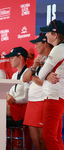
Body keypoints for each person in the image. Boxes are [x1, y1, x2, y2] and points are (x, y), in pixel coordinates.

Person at [23, 33, 52, 150]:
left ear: (45, 44)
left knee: (42, 137)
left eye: (37, 44)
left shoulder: (52, 59)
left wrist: (33, 77)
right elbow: (24, 78)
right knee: (33, 136)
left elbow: (44, 82)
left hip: (42, 100)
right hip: (32, 102)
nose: (35, 47)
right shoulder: (40, 60)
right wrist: (34, 66)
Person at [38, 19, 64, 150]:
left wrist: (46, 74)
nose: (45, 35)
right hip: (57, 96)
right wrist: (48, 75)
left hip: (54, 97)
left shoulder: (58, 49)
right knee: (56, 136)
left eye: (47, 33)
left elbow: (41, 74)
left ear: (55, 34)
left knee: (48, 136)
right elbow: (45, 74)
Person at [4, 47, 29, 123]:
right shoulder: (14, 75)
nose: (10, 60)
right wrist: (8, 96)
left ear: (20, 58)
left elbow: (27, 98)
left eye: (12, 57)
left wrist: (13, 101)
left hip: (23, 108)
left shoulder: (28, 73)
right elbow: (9, 92)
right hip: (13, 106)